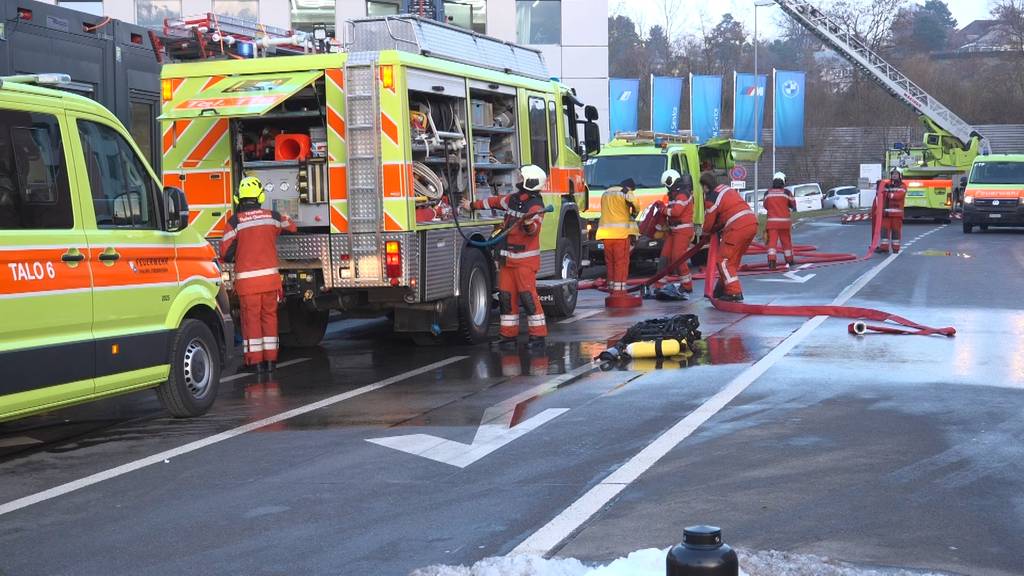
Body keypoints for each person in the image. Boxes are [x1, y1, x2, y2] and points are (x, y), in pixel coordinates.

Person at [461, 164, 548, 349]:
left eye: (521, 177)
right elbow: (493, 202)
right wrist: (471, 205)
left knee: (528, 298)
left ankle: (538, 337)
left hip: (524, 261)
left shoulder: (536, 206)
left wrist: (527, 223)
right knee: (506, 299)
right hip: (507, 261)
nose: (518, 180)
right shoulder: (513, 199)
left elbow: (533, 230)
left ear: (530, 182)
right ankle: (508, 337)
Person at [221, 176, 297, 373]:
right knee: (270, 319)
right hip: (271, 283)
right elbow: (291, 227)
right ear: (260, 196)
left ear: (239, 199)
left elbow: (225, 254)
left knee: (251, 321)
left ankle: (254, 363)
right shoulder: (272, 216)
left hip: (248, 285)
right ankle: (271, 361)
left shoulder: (234, 222)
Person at [699, 172, 757, 302]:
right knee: (733, 260)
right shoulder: (726, 189)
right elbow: (726, 212)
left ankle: (734, 292)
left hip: (737, 227)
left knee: (723, 260)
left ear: (705, 186)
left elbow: (709, 220)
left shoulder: (712, 197)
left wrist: (705, 234)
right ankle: (722, 288)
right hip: (751, 223)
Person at [596, 178, 639, 296]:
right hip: (620, 235)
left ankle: (611, 287)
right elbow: (636, 206)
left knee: (610, 262)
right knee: (621, 263)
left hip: (605, 234)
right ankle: (620, 291)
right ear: (630, 187)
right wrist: (633, 214)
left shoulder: (606, 193)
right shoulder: (625, 192)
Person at [658, 169, 695, 292]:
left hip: (682, 231)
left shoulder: (683, 194)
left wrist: (662, 210)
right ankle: (659, 284)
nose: (666, 187)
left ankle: (687, 286)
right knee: (664, 257)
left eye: (666, 184)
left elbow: (676, 212)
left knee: (677, 258)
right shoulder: (674, 194)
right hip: (673, 230)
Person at [763, 171, 797, 270]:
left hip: (772, 223)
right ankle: (789, 260)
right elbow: (793, 204)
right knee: (786, 242)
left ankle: (772, 261)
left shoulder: (767, 193)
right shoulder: (787, 192)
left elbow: (765, 206)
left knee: (772, 243)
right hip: (785, 223)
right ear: (783, 182)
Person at [874, 167, 907, 253]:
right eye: (893, 174)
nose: (894, 175)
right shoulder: (886, 184)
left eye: (896, 174)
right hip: (886, 214)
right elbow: (880, 195)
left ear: (900, 175)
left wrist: (888, 193)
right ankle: (884, 248)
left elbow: (898, 196)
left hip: (896, 215)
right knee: (884, 231)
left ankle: (896, 249)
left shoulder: (902, 186)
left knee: (896, 232)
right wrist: (879, 187)